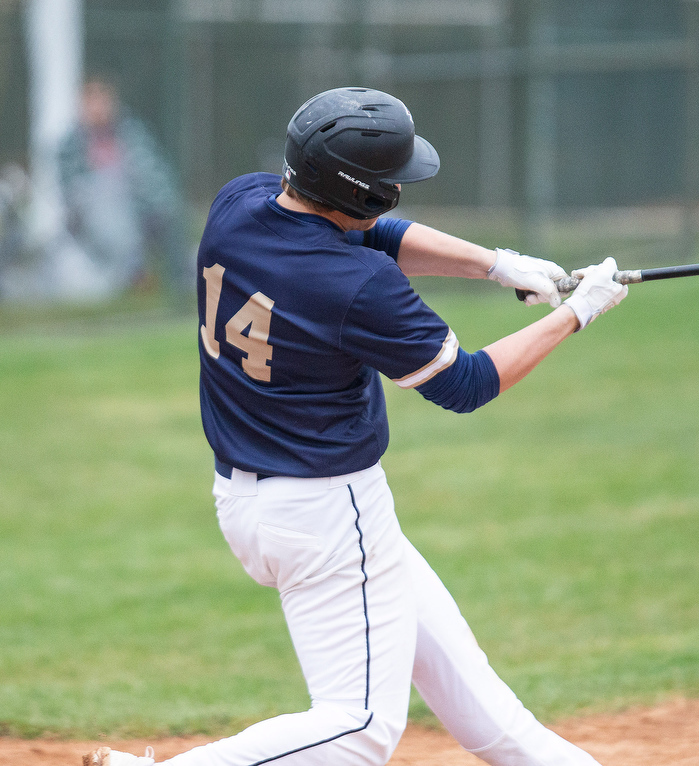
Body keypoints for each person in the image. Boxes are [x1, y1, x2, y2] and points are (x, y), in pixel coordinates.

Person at [85, 87, 627, 766]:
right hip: (328, 514)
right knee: (360, 727)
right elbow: (466, 384)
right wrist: (577, 313)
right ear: (363, 190)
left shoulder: (238, 204)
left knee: (489, 711)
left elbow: (365, 231)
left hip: (250, 500)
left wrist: (492, 263)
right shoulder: (358, 285)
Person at [58, 76, 189, 296]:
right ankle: (134, 276)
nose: (98, 108)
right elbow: (72, 195)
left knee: (170, 211)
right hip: (95, 219)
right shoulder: (70, 147)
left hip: (140, 209)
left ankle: (176, 278)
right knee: (108, 206)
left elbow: (155, 177)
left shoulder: (134, 134)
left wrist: (159, 205)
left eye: (102, 100)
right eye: (91, 101)